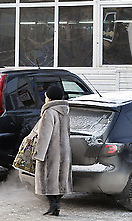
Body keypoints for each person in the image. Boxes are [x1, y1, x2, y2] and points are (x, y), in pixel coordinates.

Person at [28, 85, 72, 216]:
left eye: (46, 96)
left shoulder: (49, 112)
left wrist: (38, 154)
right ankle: (55, 205)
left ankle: (54, 205)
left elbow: (44, 136)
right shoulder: (65, 111)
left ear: (50, 97)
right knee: (59, 181)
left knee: (48, 181)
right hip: (64, 152)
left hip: (51, 153)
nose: (45, 98)